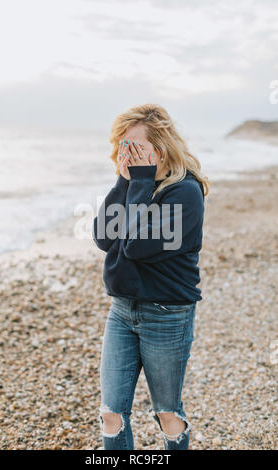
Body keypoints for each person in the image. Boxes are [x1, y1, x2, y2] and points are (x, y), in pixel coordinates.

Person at [92, 103, 210, 450]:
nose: (127, 155)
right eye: (122, 147)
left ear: (159, 148)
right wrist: (123, 179)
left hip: (166, 314)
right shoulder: (135, 184)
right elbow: (102, 236)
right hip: (122, 311)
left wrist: (140, 183)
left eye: (135, 148)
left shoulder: (184, 193)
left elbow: (134, 247)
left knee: (166, 413)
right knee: (111, 412)